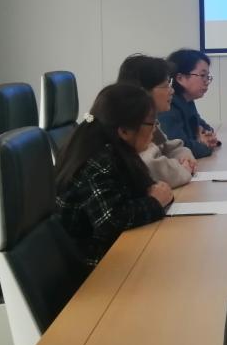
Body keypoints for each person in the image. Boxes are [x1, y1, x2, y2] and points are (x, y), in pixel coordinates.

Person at [55, 84, 174, 267]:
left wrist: (152, 192)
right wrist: (154, 202)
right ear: (124, 131)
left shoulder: (117, 150)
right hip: (94, 266)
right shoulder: (97, 159)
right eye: (151, 124)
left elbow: (129, 195)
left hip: (114, 252)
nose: (154, 130)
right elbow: (111, 220)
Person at [118, 54, 198, 187]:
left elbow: (168, 147)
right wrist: (183, 169)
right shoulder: (131, 124)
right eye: (166, 85)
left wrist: (185, 156)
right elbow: (153, 167)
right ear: (143, 91)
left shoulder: (149, 119)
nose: (172, 91)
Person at [159, 49, 219, 158]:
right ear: (180, 78)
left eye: (207, 76)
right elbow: (180, 148)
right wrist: (203, 145)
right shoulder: (168, 106)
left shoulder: (187, 100)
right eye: (202, 75)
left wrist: (208, 135)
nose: (207, 81)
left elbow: (204, 127)